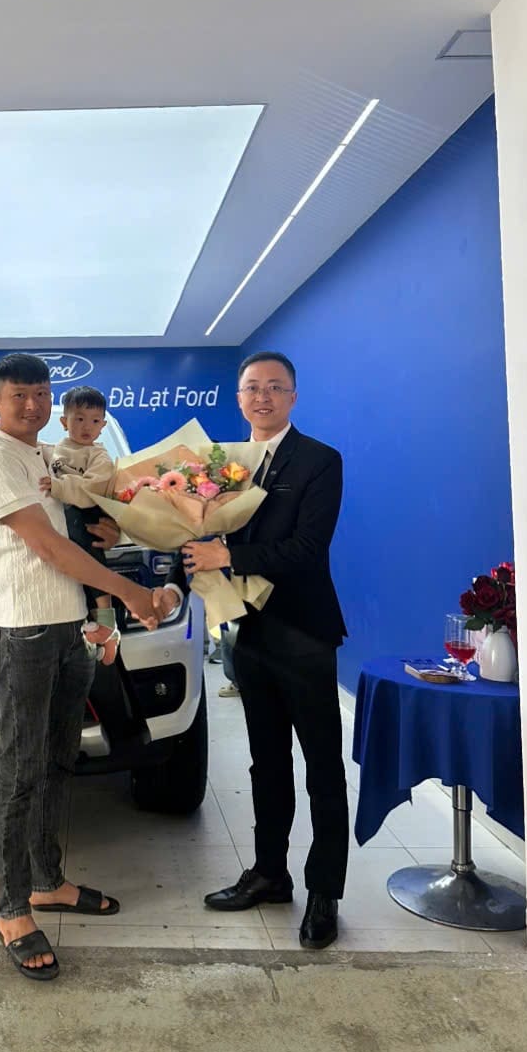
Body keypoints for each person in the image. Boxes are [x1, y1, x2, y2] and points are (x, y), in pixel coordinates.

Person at [0, 353, 160, 981]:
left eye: (41, 394)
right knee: (21, 770)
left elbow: (79, 522)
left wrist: (114, 534)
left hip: (70, 628)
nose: (32, 405)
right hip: (25, 632)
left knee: (57, 761)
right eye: (18, 395)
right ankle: (12, 910)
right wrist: (129, 592)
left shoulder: (48, 456)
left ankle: (47, 881)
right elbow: (48, 546)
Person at [154, 351, 348, 950]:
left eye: (274, 387)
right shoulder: (222, 464)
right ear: (238, 398)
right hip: (250, 633)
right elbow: (196, 534)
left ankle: (325, 891)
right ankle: (270, 874)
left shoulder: (319, 460)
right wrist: (172, 578)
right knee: (266, 763)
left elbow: (308, 548)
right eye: (251, 388)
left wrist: (229, 556)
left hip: (305, 632)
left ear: (293, 397)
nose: (262, 397)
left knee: (323, 768)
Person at [48, 385, 119, 665]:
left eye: (94, 420)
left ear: (102, 425)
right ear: (64, 421)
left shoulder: (99, 456)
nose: (86, 426)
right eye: (79, 418)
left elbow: (91, 491)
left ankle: (107, 620)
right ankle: (102, 634)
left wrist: (57, 487)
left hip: (87, 517)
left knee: (91, 562)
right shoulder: (53, 451)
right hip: (60, 526)